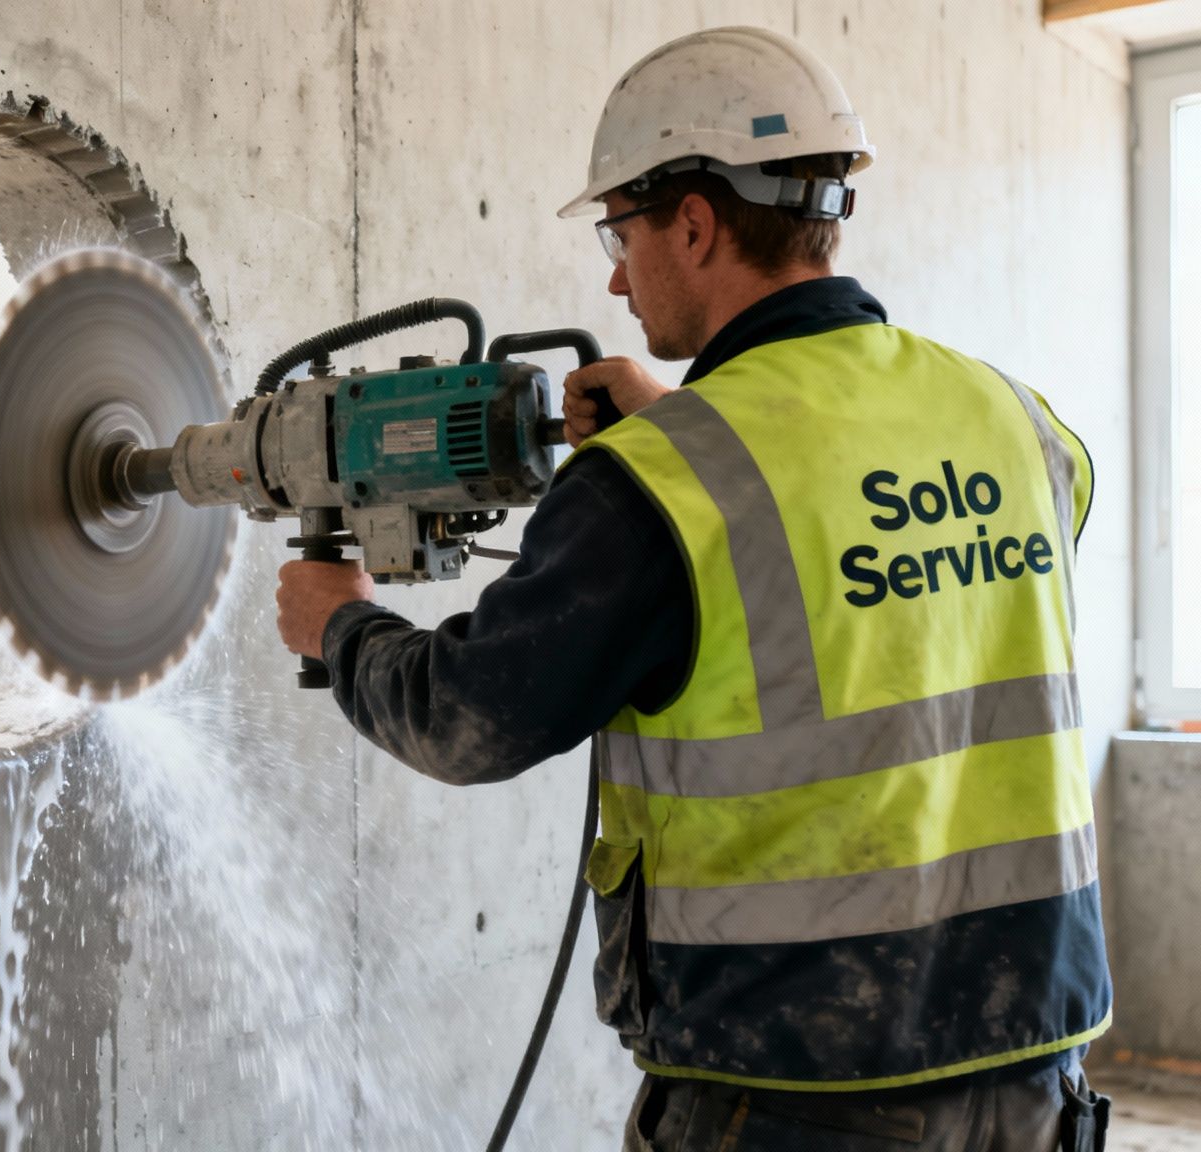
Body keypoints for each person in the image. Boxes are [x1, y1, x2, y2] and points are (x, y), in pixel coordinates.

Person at [273, 26, 1112, 1152]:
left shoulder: (657, 488)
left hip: (795, 1100)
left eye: (619, 234)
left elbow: (467, 722)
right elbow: (865, 554)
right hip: (1033, 1084)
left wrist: (338, 626)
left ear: (696, 222)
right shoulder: (1013, 420)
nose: (612, 275)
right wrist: (688, 421)